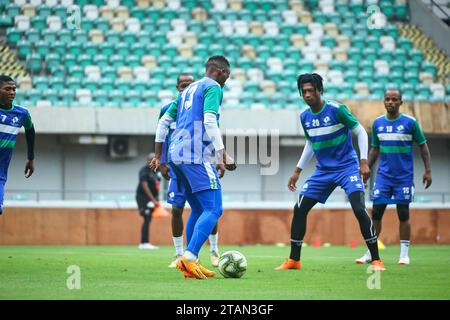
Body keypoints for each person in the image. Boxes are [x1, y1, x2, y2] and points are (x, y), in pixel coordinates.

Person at [275, 73, 386, 272]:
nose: (307, 95)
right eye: (304, 91)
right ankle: (294, 260)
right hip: (323, 171)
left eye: (311, 90)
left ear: (320, 91)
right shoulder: (305, 117)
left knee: (359, 208)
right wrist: (297, 170)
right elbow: (311, 142)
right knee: (299, 208)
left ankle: (376, 259)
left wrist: (363, 162)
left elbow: (360, 131)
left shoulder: (337, 110)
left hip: (347, 167)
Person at [150, 56, 236, 279]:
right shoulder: (213, 87)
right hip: (195, 155)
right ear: (220, 71)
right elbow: (209, 121)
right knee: (215, 209)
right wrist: (222, 153)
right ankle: (189, 257)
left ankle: (190, 263)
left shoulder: (185, 92)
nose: (228, 78)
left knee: (198, 209)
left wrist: (159, 156)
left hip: (176, 155)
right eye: (227, 74)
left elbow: (162, 124)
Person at [356, 89, 432, 265]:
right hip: (383, 177)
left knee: (403, 213)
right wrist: (366, 167)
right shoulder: (377, 123)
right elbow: (375, 149)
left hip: (403, 177)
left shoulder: (410, 123)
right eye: (387, 99)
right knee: (376, 213)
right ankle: (370, 252)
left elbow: (423, 146)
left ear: (400, 102)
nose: (390, 102)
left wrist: (428, 170)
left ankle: (404, 254)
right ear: (383, 101)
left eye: (394, 99)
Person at [159, 73, 221, 268]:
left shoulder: (199, 105)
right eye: (183, 85)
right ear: (178, 87)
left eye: (189, 84)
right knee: (188, 208)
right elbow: (162, 132)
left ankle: (212, 250)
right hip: (182, 161)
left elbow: (210, 130)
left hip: (197, 159)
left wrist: (215, 158)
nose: (186, 88)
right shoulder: (169, 108)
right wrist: (161, 161)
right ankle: (182, 255)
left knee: (203, 206)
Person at [0, 75, 35, 215]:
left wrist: (31, 158)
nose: (12, 92)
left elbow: (30, 131)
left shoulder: (22, 113)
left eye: (14, 89)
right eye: (7, 89)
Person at [136, 153, 161, 250]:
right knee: (146, 217)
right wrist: (153, 200)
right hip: (143, 197)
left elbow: (157, 185)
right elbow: (144, 186)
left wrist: (157, 198)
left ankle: (144, 242)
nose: (155, 161)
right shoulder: (144, 171)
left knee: (149, 218)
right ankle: (144, 243)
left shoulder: (157, 171)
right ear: (148, 160)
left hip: (152, 199)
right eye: (152, 159)